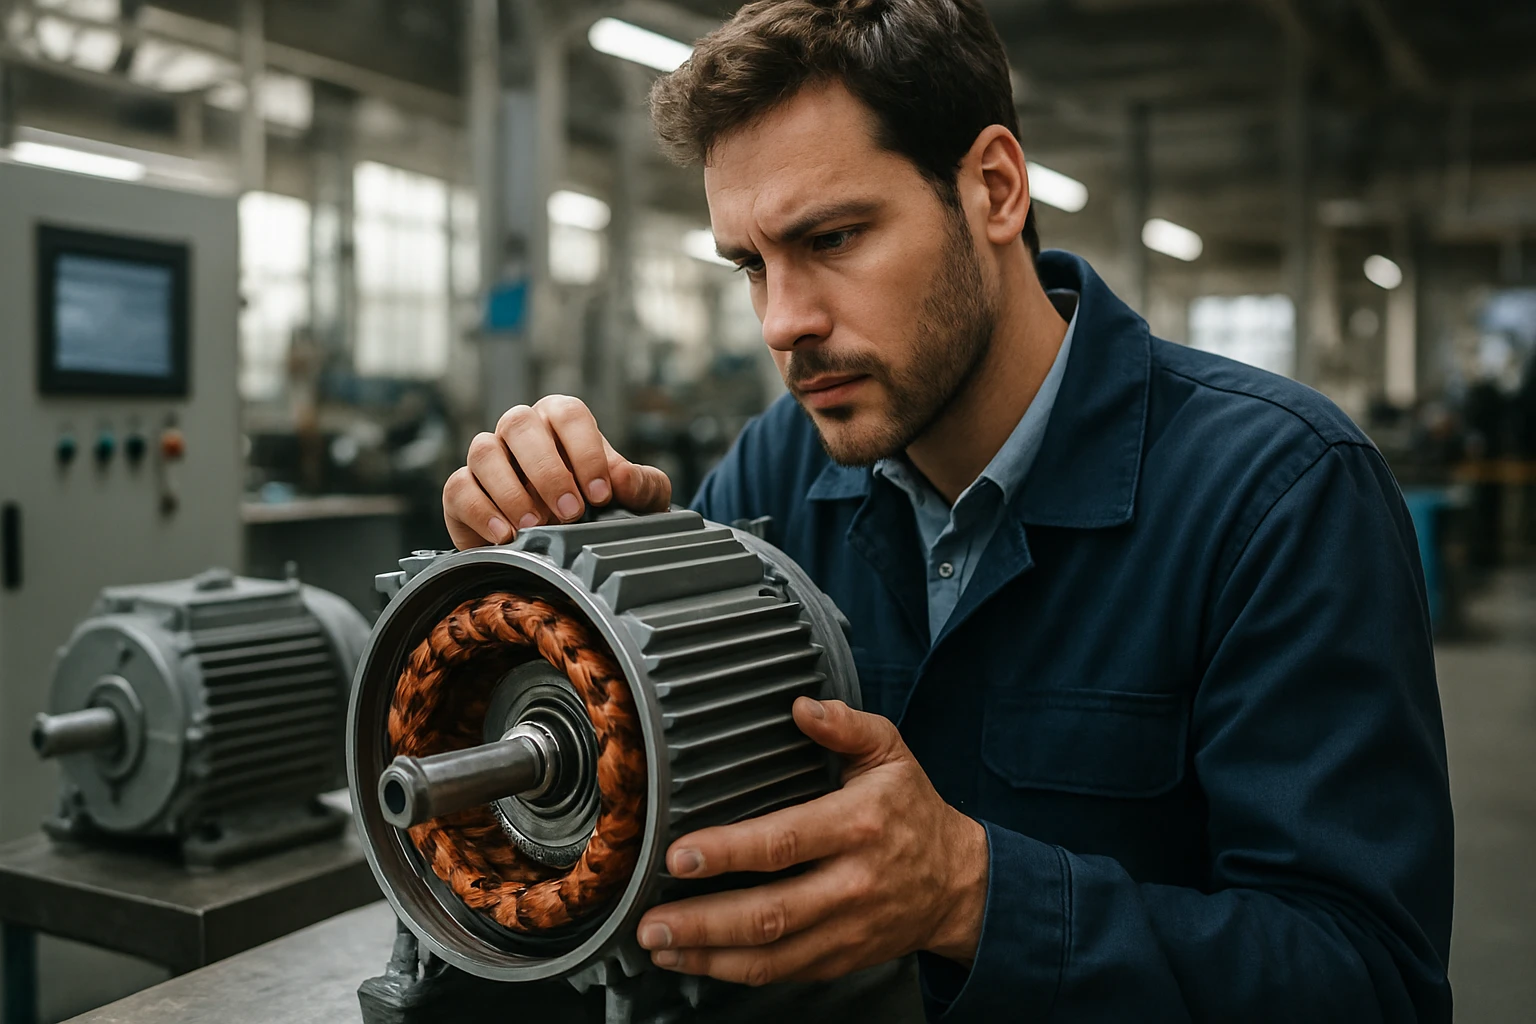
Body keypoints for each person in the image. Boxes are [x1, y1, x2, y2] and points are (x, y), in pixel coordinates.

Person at [441, 0, 1454, 1017]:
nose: (784, 321)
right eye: (752, 265)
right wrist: (565, 582)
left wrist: (975, 893)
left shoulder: (1277, 494)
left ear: (995, 189)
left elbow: (1369, 979)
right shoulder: (775, 477)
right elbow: (649, 815)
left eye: (833, 236)